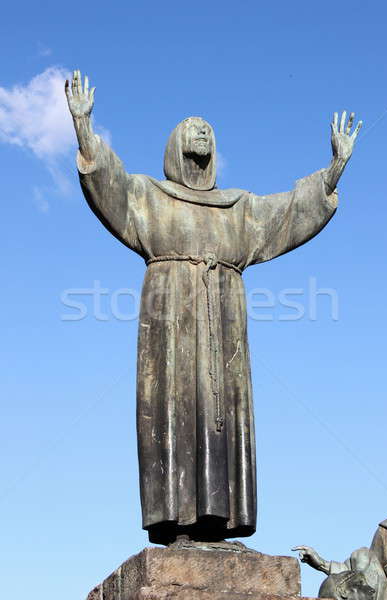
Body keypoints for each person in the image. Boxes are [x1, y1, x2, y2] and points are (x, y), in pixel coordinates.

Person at [66, 69, 362, 545]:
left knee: (225, 409)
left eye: (208, 128)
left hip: (224, 322)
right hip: (169, 319)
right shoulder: (148, 196)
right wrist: (83, 126)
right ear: (174, 144)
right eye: (191, 127)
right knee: (173, 407)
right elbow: (109, 183)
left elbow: (288, 211)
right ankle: (176, 520)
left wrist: (333, 169)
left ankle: (218, 524)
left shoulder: (238, 207)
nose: (202, 131)